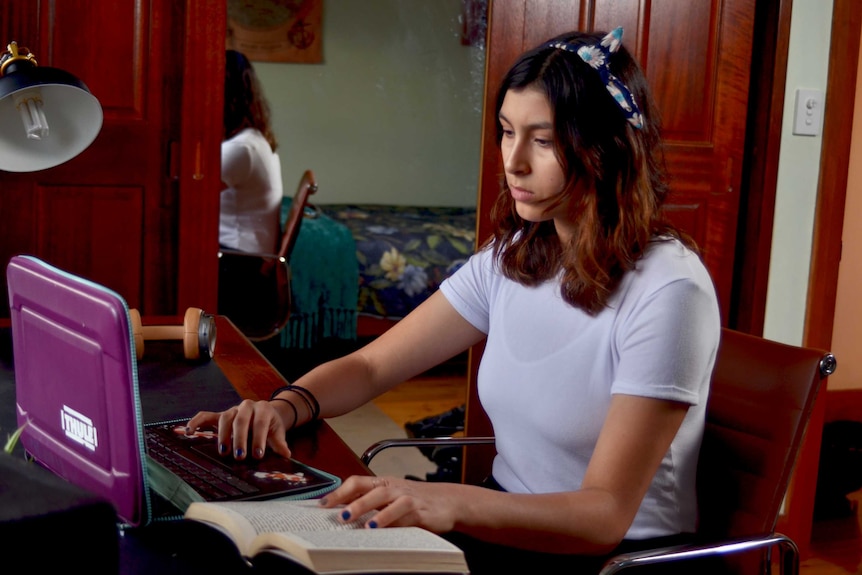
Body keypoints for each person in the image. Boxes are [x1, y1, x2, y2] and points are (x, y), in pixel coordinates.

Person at [188, 28, 721, 574]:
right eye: (508, 132)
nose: (513, 162)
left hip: (618, 561)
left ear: (605, 148)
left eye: (543, 140)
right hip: (506, 528)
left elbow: (604, 515)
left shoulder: (670, 290)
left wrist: (448, 502)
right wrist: (284, 405)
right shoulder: (515, 255)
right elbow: (371, 365)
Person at [220, 49, 283, 254]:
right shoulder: (252, 139)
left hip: (238, 258)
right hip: (245, 252)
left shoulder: (241, 148)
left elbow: (190, 195)